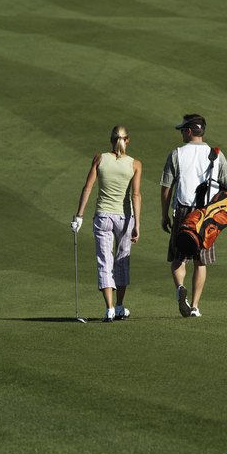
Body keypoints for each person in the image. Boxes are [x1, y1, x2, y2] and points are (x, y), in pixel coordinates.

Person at [160, 114, 227, 318]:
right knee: (201, 261)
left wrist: (164, 214)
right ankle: (194, 306)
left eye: (183, 129)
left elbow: (166, 187)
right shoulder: (216, 154)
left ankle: (180, 289)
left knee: (179, 258)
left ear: (190, 131)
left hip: (184, 211)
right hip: (207, 214)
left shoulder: (176, 154)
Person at [71, 125, 142, 322]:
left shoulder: (99, 158)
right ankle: (119, 306)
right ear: (127, 140)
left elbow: (88, 188)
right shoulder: (135, 164)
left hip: (103, 217)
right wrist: (137, 224)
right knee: (122, 260)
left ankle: (109, 308)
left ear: (111, 140)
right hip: (125, 218)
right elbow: (135, 195)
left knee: (105, 261)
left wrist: (79, 216)